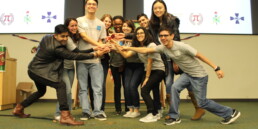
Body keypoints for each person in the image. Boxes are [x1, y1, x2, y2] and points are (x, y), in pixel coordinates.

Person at [123, 26, 241, 125]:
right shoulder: (162, 48)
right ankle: (174, 116)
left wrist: (216, 68)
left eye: (166, 35)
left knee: (202, 102)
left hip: (199, 76)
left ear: (172, 36)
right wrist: (128, 47)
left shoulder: (182, 46)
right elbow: (145, 51)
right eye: (161, 36)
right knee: (174, 88)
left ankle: (230, 112)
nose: (163, 38)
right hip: (188, 74)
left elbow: (199, 56)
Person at [12, 24, 107, 126]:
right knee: (61, 85)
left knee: (41, 91)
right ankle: (65, 116)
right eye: (62, 36)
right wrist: (96, 54)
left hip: (33, 70)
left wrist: (93, 49)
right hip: (39, 72)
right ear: (55, 35)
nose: (65, 39)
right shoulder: (58, 49)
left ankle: (19, 108)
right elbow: (74, 55)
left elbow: (76, 52)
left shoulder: (46, 37)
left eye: (66, 36)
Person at [149, 0, 205, 120]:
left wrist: (175, 60)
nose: (157, 10)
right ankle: (172, 111)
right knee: (169, 84)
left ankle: (199, 108)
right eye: (155, 8)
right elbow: (145, 34)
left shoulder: (171, 20)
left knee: (189, 81)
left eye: (160, 7)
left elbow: (177, 38)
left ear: (165, 8)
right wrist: (125, 35)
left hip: (177, 56)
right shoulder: (152, 23)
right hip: (165, 57)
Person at [112, 27, 165, 123]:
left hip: (157, 70)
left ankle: (152, 113)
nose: (139, 35)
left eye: (141, 33)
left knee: (144, 90)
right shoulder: (137, 46)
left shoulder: (151, 44)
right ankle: (156, 111)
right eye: (137, 33)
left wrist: (147, 77)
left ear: (146, 34)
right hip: (147, 70)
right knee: (149, 90)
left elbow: (149, 62)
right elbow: (126, 55)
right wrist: (117, 46)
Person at [54, 18, 99, 121]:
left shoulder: (74, 37)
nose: (74, 27)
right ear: (67, 27)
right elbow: (77, 52)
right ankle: (58, 113)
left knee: (65, 92)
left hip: (70, 67)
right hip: (62, 67)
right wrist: (94, 50)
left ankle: (67, 114)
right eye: (72, 26)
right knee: (66, 91)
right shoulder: (67, 38)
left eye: (75, 25)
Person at [76, 0, 108, 121]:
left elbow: (102, 39)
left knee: (97, 88)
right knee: (83, 88)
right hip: (82, 59)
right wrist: (98, 47)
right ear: (85, 6)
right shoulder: (79, 20)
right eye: (89, 4)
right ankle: (85, 111)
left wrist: (101, 47)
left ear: (97, 7)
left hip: (96, 61)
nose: (91, 6)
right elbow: (84, 36)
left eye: (94, 4)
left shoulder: (101, 23)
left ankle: (97, 111)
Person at [88, 14, 113, 114]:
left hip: (104, 61)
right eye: (105, 21)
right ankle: (94, 108)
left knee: (101, 85)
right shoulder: (95, 31)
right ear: (101, 21)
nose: (107, 23)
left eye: (109, 22)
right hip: (92, 59)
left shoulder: (111, 34)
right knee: (91, 84)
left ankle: (101, 109)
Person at [120, 20, 144, 118]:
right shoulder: (121, 40)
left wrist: (117, 47)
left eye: (127, 26)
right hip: (128, 66)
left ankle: (136, 110)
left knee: (133, 86)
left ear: (132, 28)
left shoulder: (136, 38)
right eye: (124, 26)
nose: (125, 28)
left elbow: (126, 54)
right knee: (127, 86)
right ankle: (130, 109)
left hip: (139, 65)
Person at [110, 15, 127, 115]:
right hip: (113, 64)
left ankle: (128, 108)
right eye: (115, 24)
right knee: (117, 86)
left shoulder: (126, 35)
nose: (117, 26)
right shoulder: (110, 34)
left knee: (126, 86)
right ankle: (118, 109)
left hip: (125, 64)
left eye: (119, 24)